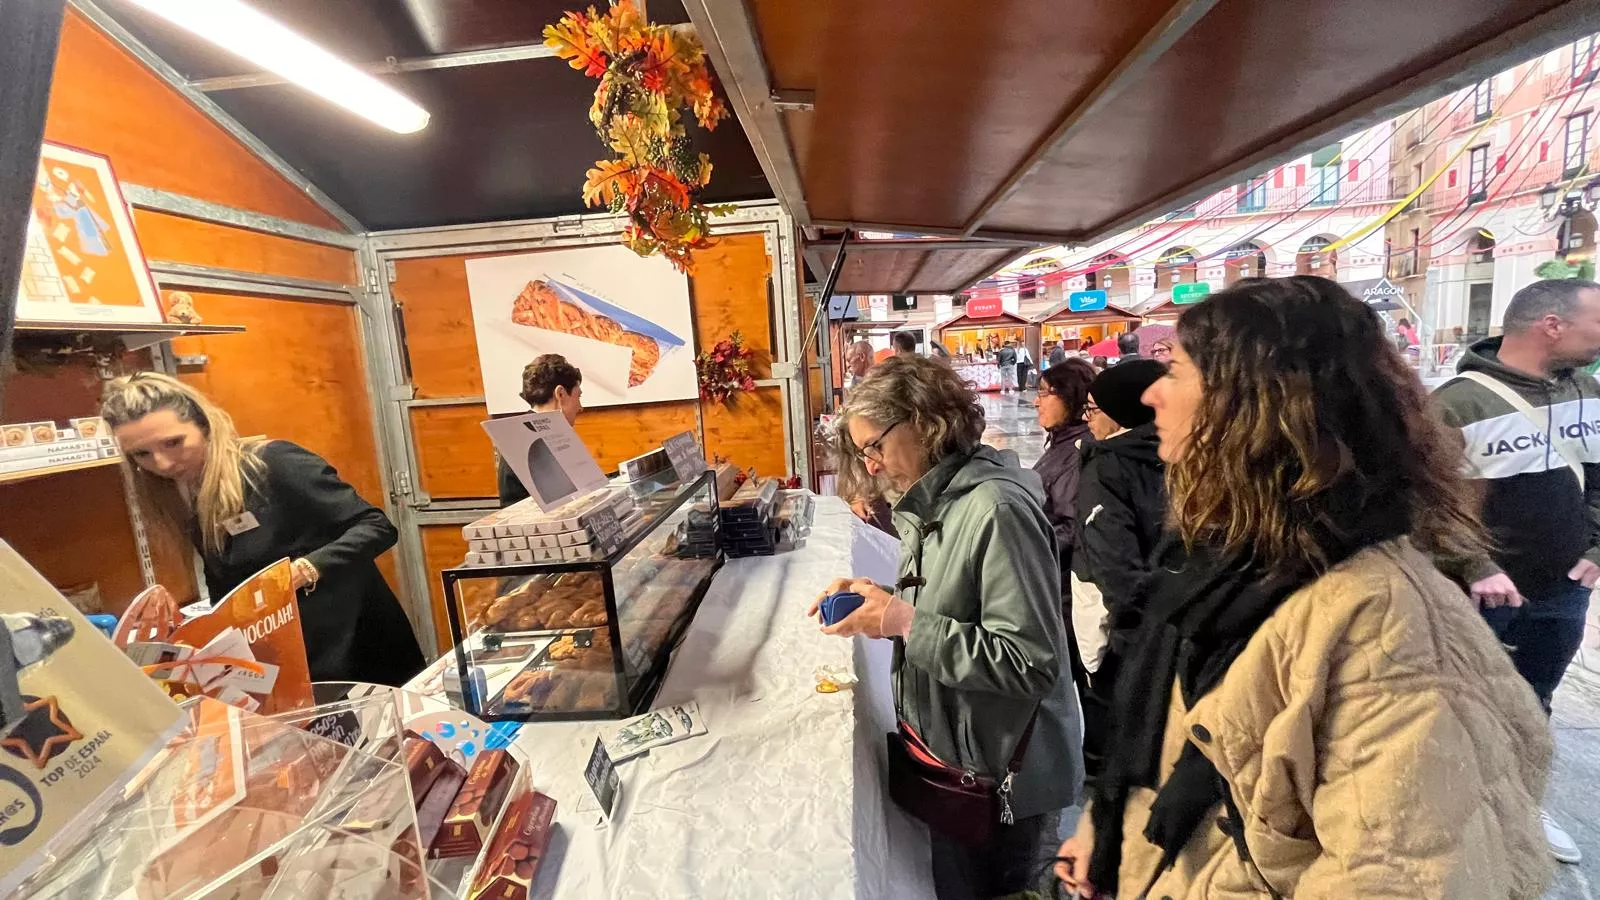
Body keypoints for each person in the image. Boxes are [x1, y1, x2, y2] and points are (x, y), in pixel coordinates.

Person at [1057, 276, 1551, 900]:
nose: (1152, 393)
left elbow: (1408, 874)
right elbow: (1172, 745)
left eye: (1175, 371)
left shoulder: (1384, 622)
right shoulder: (1226, 563)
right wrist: (1112, 837)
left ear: (1253, 405)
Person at [816, 355, 1081, 899]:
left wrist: (905, 621)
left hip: (1005, 780)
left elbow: (1029, 662)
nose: (870, 465)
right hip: (966, 758)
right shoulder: (938, 500)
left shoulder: (996, 509)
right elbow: (954, 607)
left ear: (925, 422)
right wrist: (884, 603)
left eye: (875, 447)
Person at [101, 372, 424, 686]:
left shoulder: (273, 462)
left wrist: (304, 570)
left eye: (173, 443)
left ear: (203, 425)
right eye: (141, 454)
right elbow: (226, 581)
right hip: (285, 657)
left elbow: (376, 526)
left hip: (355, 648)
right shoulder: (183, 492)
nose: (163, 463)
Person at [1434, 277, 1600, 865]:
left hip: (1564, 589)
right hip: (1477, 594)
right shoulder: (1456, 403)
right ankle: (1456, 816)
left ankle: (1525, 802)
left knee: (1536, 700)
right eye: (1596, 322)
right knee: (1463, 705)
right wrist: (1473, 565)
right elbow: (1428, 501)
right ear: (1551, 325)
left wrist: (1596, 550)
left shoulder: (1591, 392)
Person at [1068, 360, 1167, 787]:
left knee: (1110, 727)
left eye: (1094, 408)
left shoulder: (1109, 465)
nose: (1089, 418)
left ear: (1123, 411)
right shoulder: (1173, 452)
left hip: (1117, 628)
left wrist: (1128, 635)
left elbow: (1113, 559)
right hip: (1165, 619)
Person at [1032, 358, 1097, 609]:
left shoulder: (1079, 450)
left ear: (1071, 397)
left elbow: (1072, 526)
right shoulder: (1062, 443)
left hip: (1062, 592)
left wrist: (1024, 547)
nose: (1036, 402)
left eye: (1045, 393)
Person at [498, 355, 583, 507]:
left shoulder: (529, 433)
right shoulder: (528, 440)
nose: (580, 406)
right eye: (578, 396)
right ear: (561, 394)